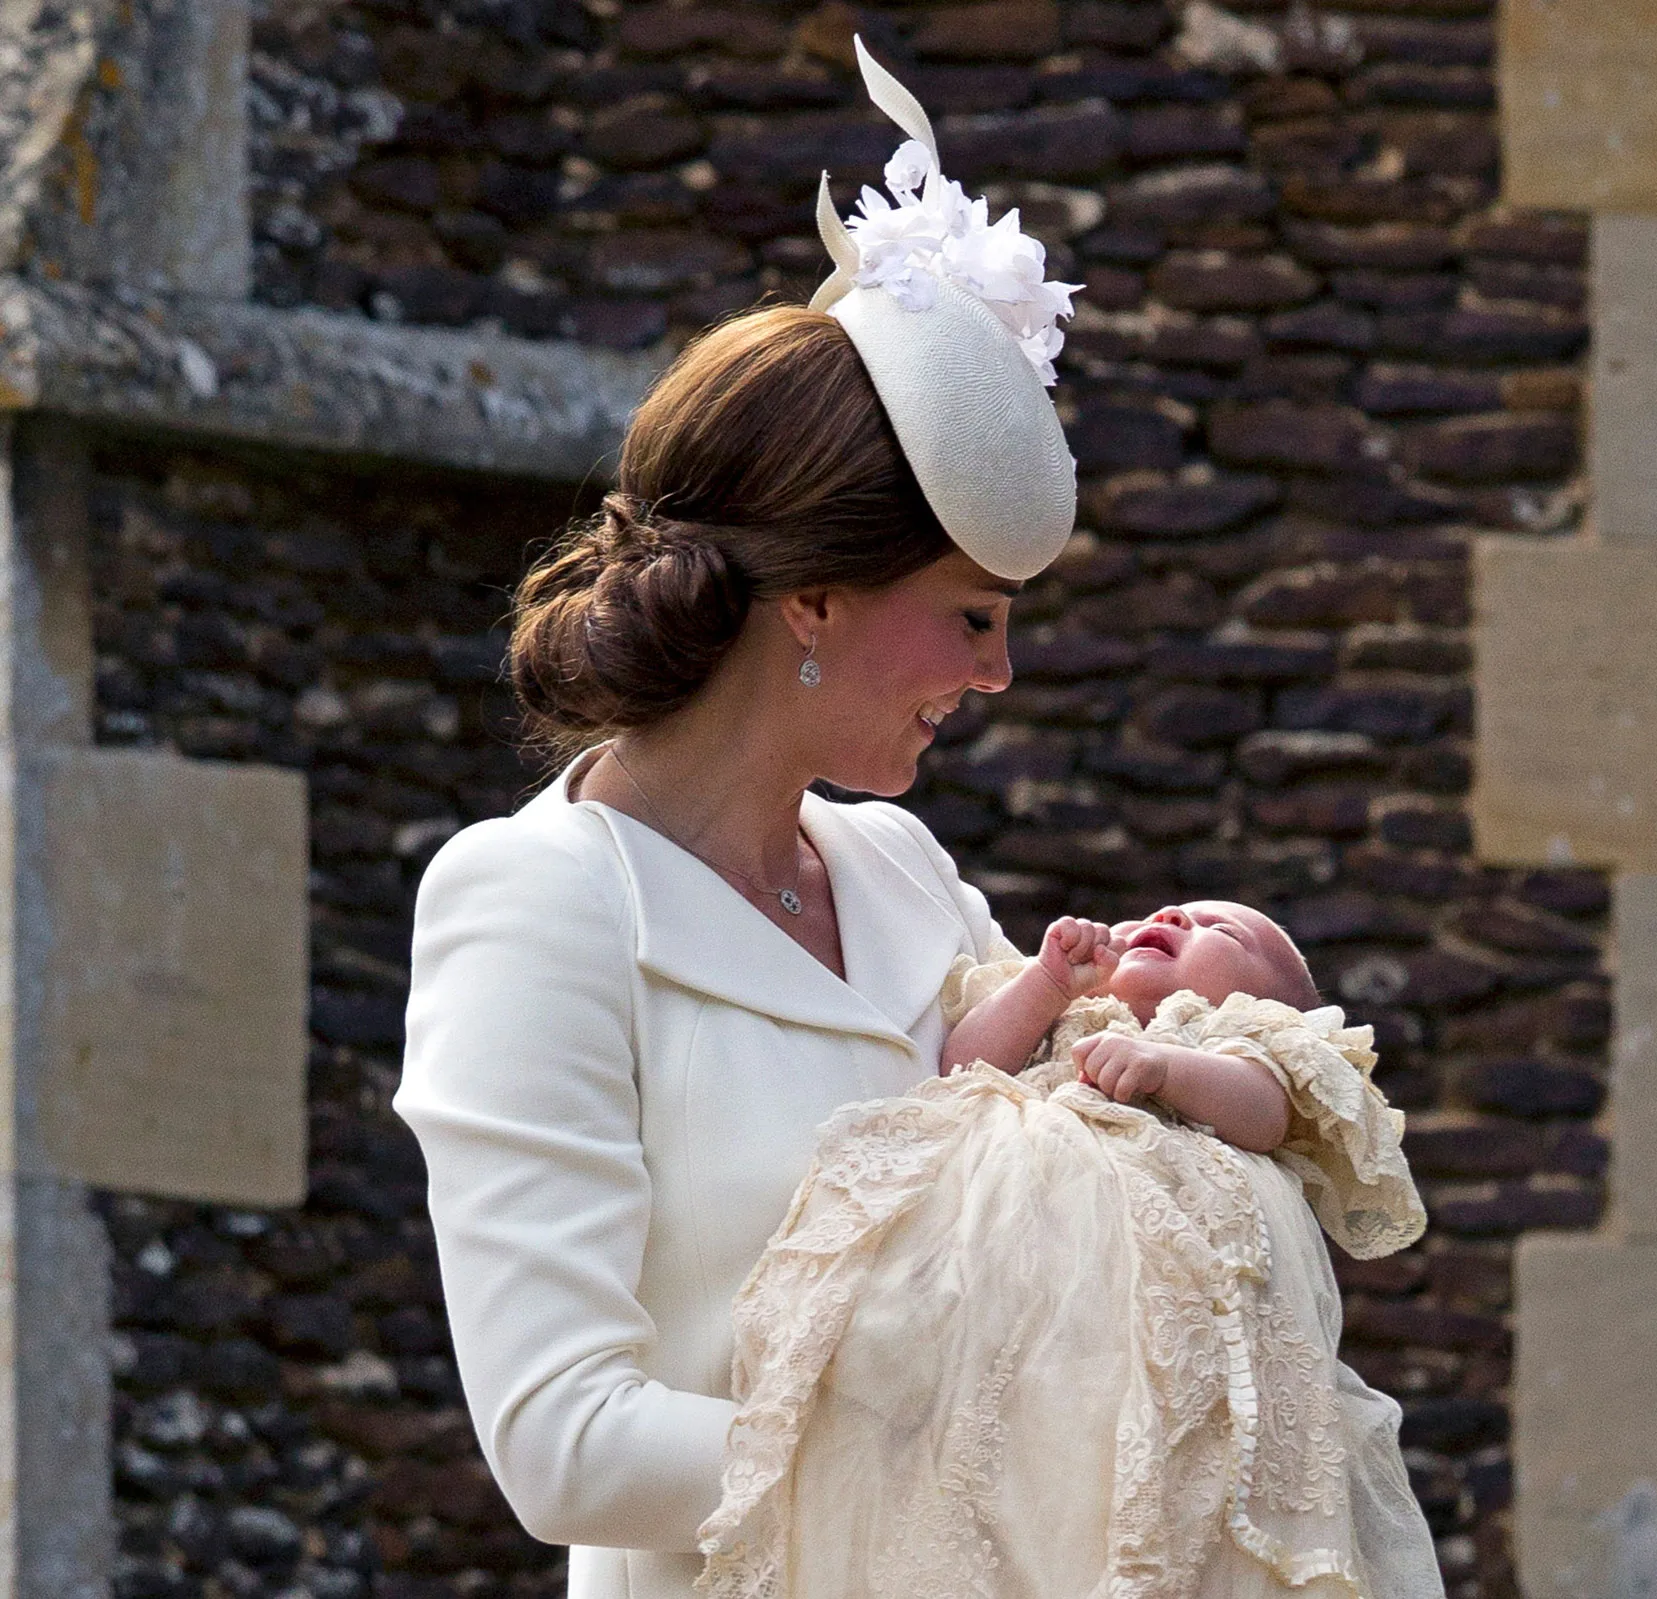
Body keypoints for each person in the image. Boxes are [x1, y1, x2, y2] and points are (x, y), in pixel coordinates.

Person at [396, 42, 1080, 1599]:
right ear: (818, 601)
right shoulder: (535, 900)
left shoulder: (903, 870)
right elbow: (564, 1438)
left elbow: (1061, 1188)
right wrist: (964, 1436)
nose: (1000, 672)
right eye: (970, 621)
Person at [696, 906, 1443, 1599]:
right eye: (1155, 912)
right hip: (1003, 1294)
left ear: (1269, 1001)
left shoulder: (1231, 1042)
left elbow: (1264, 1111)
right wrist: (1045, 984)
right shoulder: (1068, 1015)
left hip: (1137, 1311)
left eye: (1225, 931)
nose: (1172, 916)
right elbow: (958, 1063)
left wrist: (1167, 1068)